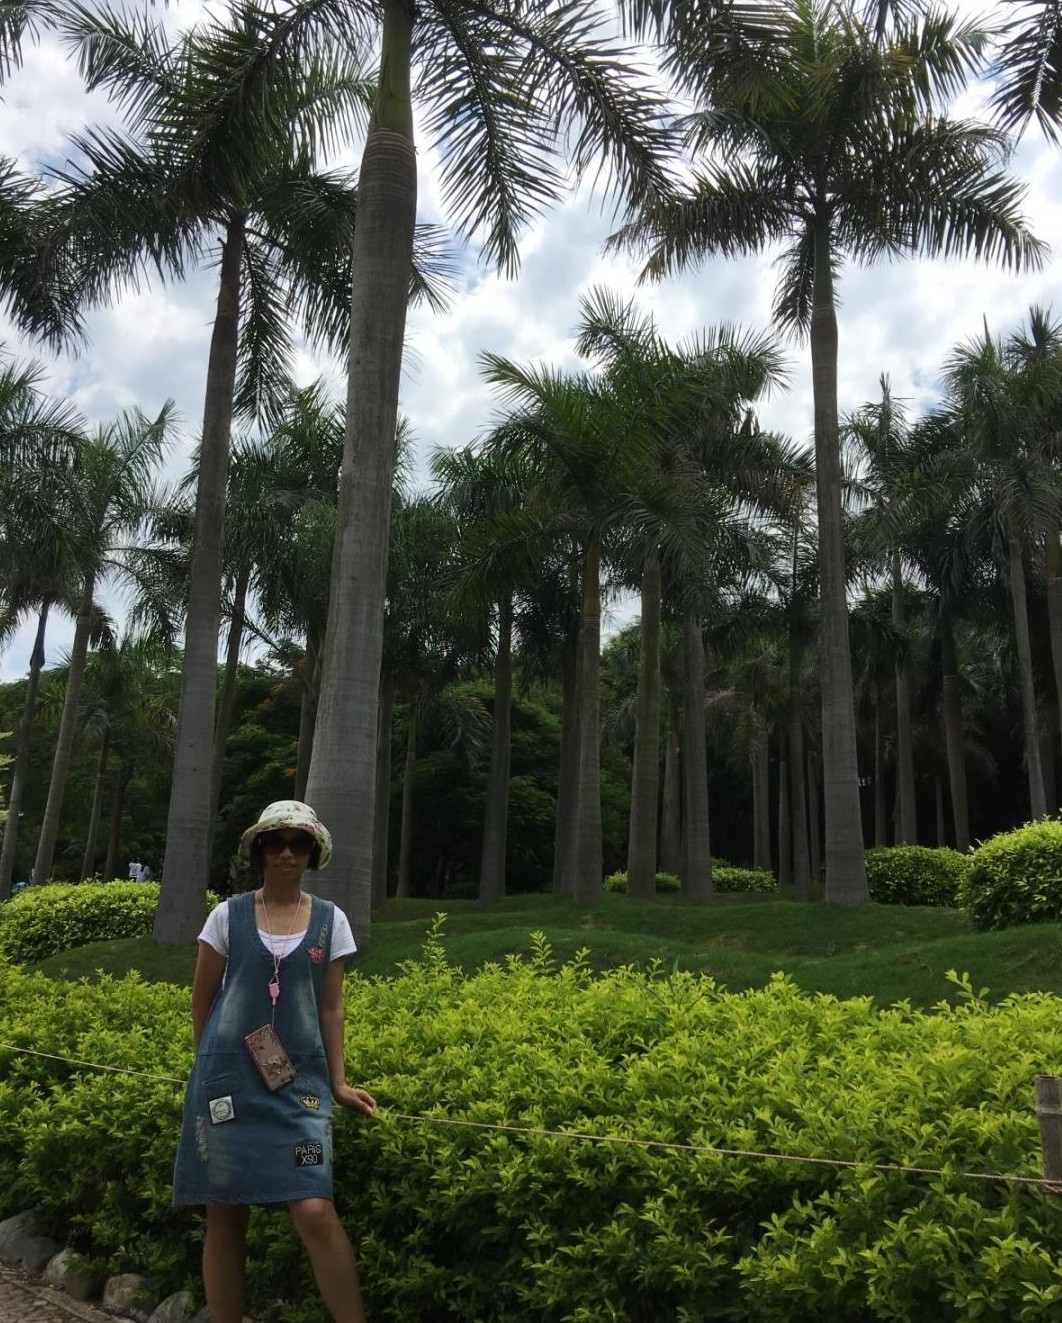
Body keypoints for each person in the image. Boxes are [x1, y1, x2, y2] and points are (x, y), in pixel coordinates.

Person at [172, 800, 376, 1323]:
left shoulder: (332, 921)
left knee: (314, 1209)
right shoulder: (227, 916)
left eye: (298, 843)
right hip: (227, 1086)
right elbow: (202, 997)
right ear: (259, 850)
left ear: (312, 852)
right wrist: (206, 1070)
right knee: (225, 1215)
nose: (287, 853)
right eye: (276, 842)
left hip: (299, 1088)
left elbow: (330, 1007)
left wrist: (338, 1083)